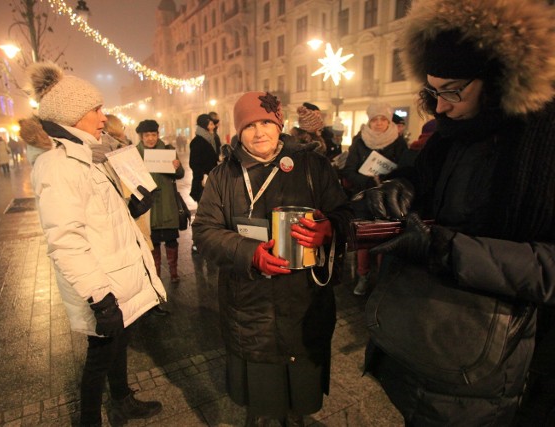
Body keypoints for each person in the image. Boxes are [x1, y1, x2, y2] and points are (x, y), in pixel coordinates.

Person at [357, 0, 555, 425]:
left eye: (452, 91)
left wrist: (446, 249)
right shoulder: (454, 135)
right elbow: (425, 181)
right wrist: (401, 188)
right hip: (427, 340)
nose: (441, 107)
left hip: (491, 364)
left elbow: (548, 268)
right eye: (432, 91)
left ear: (500, 79)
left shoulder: (543, 145)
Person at [192, 91, 353, 426]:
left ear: (280, 124)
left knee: (300, 393)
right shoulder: (224, 176)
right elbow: (204, 231)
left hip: (305, 298)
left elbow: (344, 214)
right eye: (250, 125)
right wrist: (248, 253)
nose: (260, 131)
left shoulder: (312, 165)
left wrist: (328, 229)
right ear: (238, 131)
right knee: (262, 399)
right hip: (251, 306)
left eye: (267, 122)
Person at [26, 62, 165, 427]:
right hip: (102, 284)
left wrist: (133, 205)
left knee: (118, 347)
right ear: (73, 116)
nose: (103, 116)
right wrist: (99, 298)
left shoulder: (89, 156)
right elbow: (65, 240)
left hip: (119, 275)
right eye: (95, 110)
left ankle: (121, 401)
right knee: (100, 356)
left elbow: (102, 215)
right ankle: (89, 420)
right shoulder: (60, 165)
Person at [340, 102, 407, 296]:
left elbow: (405, 171)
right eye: (375, 120)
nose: (378, 123)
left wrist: (387, 179)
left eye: (383, 119)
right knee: (365, 240)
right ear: (369, 122)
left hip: (389, 200)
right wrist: (368, 179)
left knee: (386, 240)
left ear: (388, 122)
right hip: (365, 197)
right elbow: (349, 170)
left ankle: (383, 281)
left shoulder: (399, 142)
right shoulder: (360, 141)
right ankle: (363, 276)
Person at [135, 119, 185, 288]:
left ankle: (174, 272)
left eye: (153, 134)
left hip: (168, 204)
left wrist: (177, 167)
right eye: (147, 135)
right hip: (148, 208)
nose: (150, 138)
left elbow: (180, 174)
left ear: (158, 134)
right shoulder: (135, 154)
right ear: (141, 137)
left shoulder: (168, 151)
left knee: (171, 240)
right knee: (153, 243)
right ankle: (156, 274)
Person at [189, 113, 219, 203]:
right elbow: (194, 163)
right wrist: (203, 176)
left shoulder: (210, 139)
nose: (213, 127)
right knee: (204, 207)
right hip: (203, 181)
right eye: (211, 124)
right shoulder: (197, 141)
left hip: (211, 178)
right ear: (204, 125)